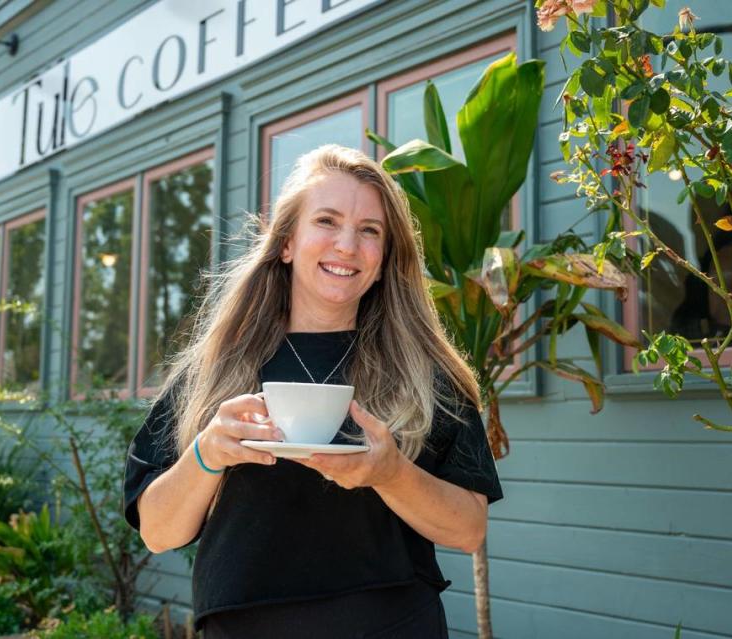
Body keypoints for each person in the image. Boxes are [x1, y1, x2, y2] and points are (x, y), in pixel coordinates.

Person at [123, 144, 503, 638]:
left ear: (385, 257)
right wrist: (208, 452)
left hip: (390, 623)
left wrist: (390, 473)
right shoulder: (215, 367)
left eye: (370, 231)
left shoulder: (424, 373)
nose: (347, 245)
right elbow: (156, 531)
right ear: (286, 243)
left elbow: (469, 529)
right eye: (326, 221)